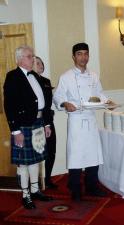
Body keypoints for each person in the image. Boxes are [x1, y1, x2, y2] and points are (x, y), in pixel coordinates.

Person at [53, 42, 111, 201]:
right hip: (76, 120)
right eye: (79, 54)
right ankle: (75, 189)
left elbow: (99, 93)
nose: (83, 57)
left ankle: (92, 186)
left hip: (90, 119)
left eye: (85, 53)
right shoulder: (66, 77)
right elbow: (57, 96)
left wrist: (108, 102)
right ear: (73, 56)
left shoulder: (94, 75)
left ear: (88, 56)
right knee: (76, 156)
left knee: (93, 154)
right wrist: (65, 103)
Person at [3, 45, 53, 210]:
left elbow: (42, 103)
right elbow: (9, 106)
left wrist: (46, 123)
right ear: (19, 59)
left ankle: (35, 190)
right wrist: (15, 131)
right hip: (23, 126)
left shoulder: (35, 76)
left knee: (36, 160)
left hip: (38, 123)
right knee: (24, 164)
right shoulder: (13, 76)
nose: (33, 59)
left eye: (32, 56)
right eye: (29, 56)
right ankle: (26, 196)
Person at [34, 56, 58, 189]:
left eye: (41, 62)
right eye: (37, 63)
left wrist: (47, 122)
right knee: (36, 153)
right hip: (35, 122)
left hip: (48, 120)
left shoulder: (46, 81)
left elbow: (48, 104)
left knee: (51, 150)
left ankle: (48, 179)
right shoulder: (29, 81)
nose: (40, 65)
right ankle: (36, 182)